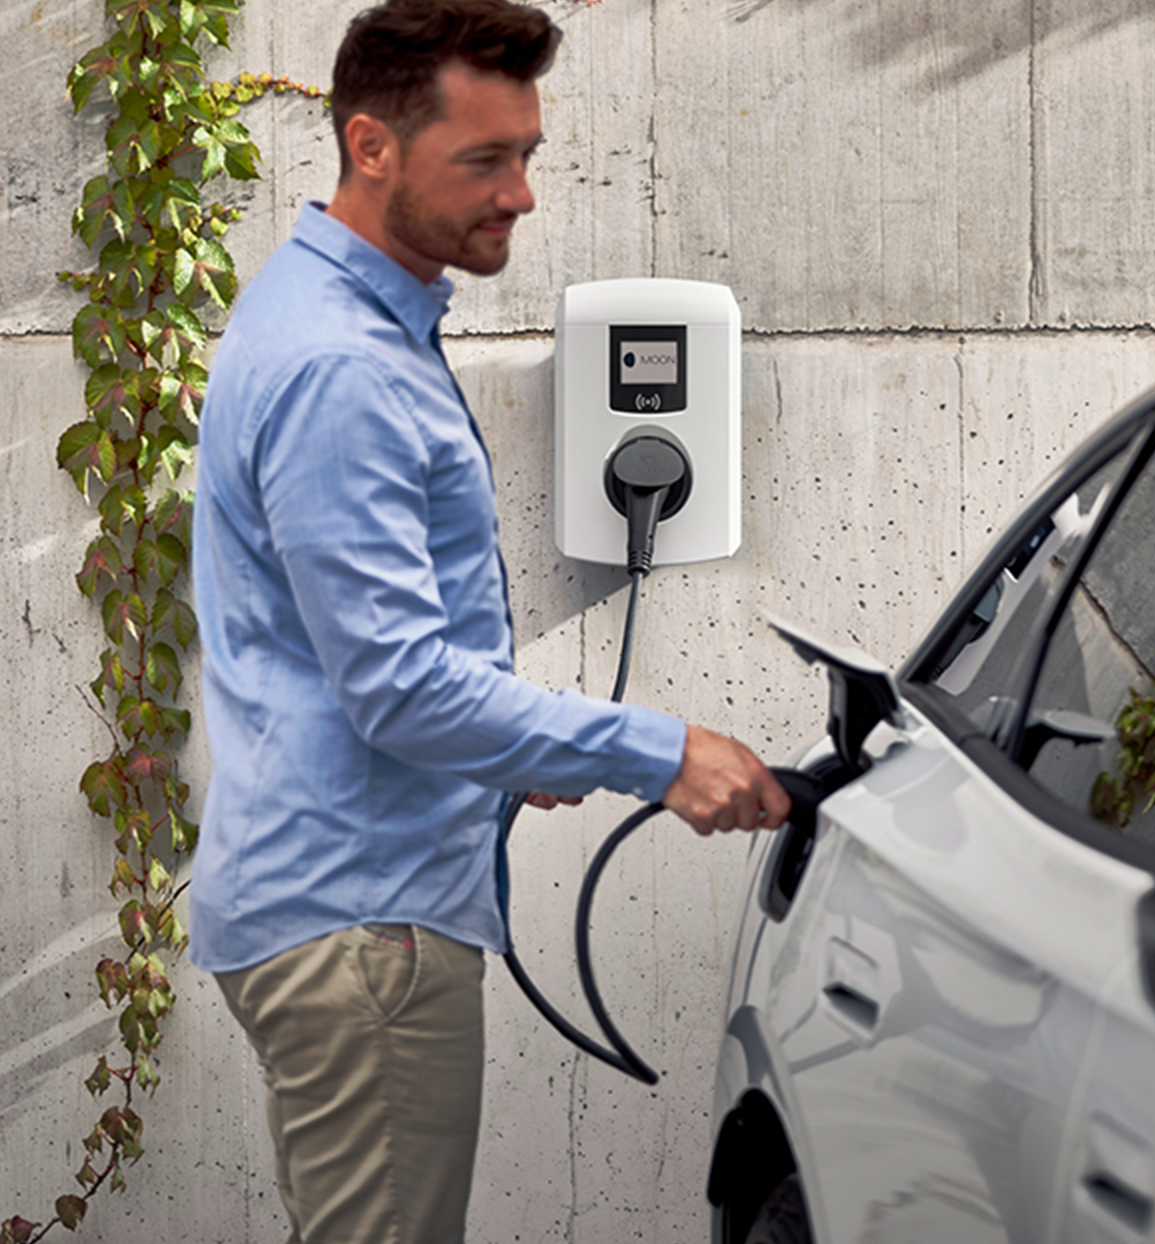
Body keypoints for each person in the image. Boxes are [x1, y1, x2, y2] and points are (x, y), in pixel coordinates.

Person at [189, 1, 791, 1240]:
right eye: (482, 160)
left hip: (340, 898)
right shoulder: (342, 368)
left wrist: (509, 752)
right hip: (363, 923)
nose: (518, 193)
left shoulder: (335, 319)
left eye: (524, 154)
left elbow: (346, 654)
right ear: (370, 145)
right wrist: (659, 752)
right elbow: (400, 686)